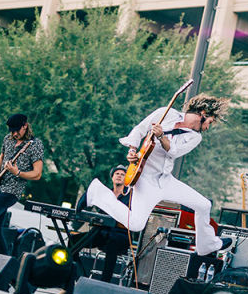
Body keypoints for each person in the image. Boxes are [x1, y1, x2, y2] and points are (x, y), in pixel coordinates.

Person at [86, 93, 232, 257]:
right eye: (210, 122)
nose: (207, 128)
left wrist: (162, 136)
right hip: (145, 180)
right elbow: (139, 130)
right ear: (203, 113)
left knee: (204, 205)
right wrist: (132, 151)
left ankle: (207, 245)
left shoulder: (194, 137)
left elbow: (174, 152)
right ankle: (97, 193)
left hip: (166, 181)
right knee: (135, 224)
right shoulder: (166, 113)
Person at [0, 113, 43, 254]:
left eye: (17, 130)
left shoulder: (35, 145)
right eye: (11, 130)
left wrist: (17, 172)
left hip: (12, 191)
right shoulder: (8, 138)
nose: (14, 133)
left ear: (25, 126)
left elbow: (37, 174)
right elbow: (2, 156)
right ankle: (5, 261)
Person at [75, 165, 132, 283]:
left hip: (120, 237)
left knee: (113, 243)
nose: (119, 176)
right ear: (112, 177)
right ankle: (78, 275)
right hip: (101, 234)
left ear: (126, 179)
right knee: (73, 241)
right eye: (117, 174)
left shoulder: (130, 197)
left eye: (123, 174)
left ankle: (103, 283)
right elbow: (88, 197)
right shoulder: (105, 194)